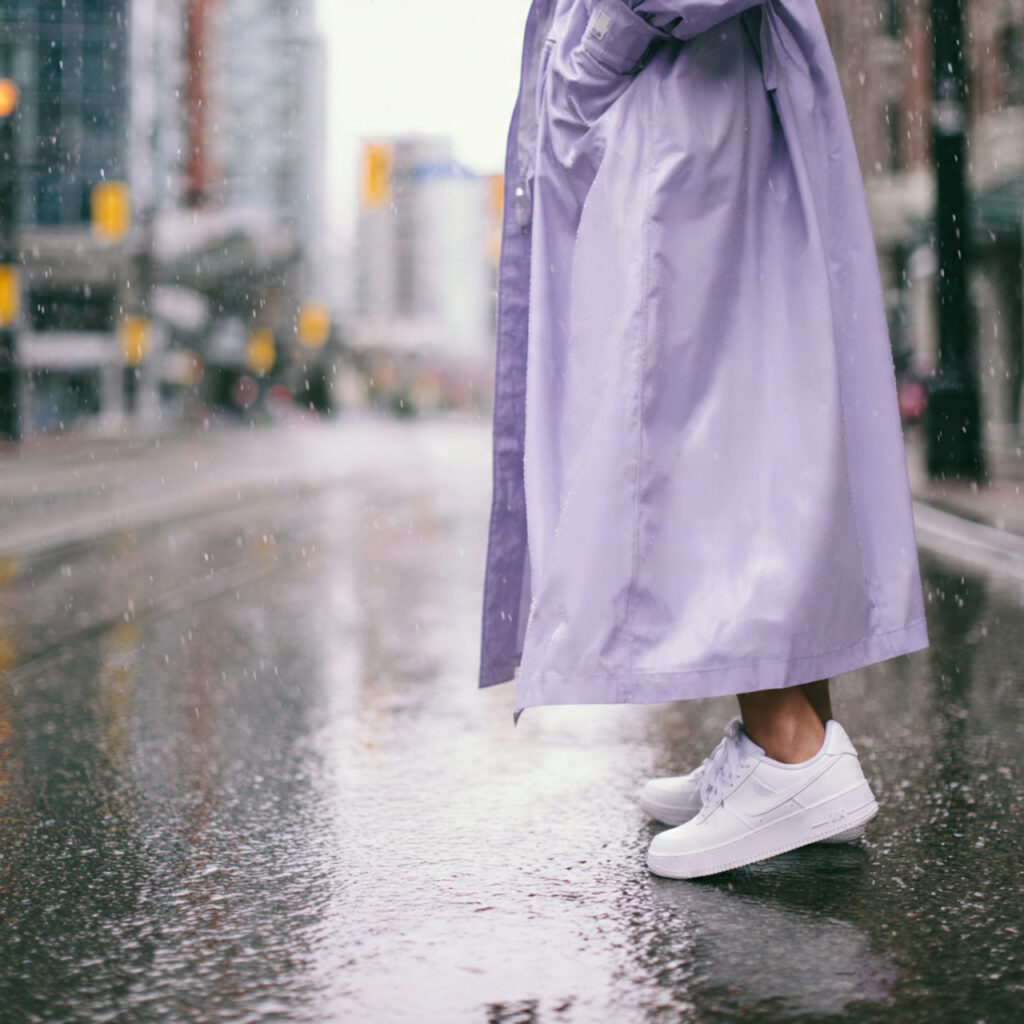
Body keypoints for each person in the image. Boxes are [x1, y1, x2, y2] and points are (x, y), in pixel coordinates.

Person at [479, 0, 929, 878]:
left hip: (692, 90)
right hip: (708, 86)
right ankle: (787, 749)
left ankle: (792, 750)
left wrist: (610, 35)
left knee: (703, 428)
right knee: (756, 414)